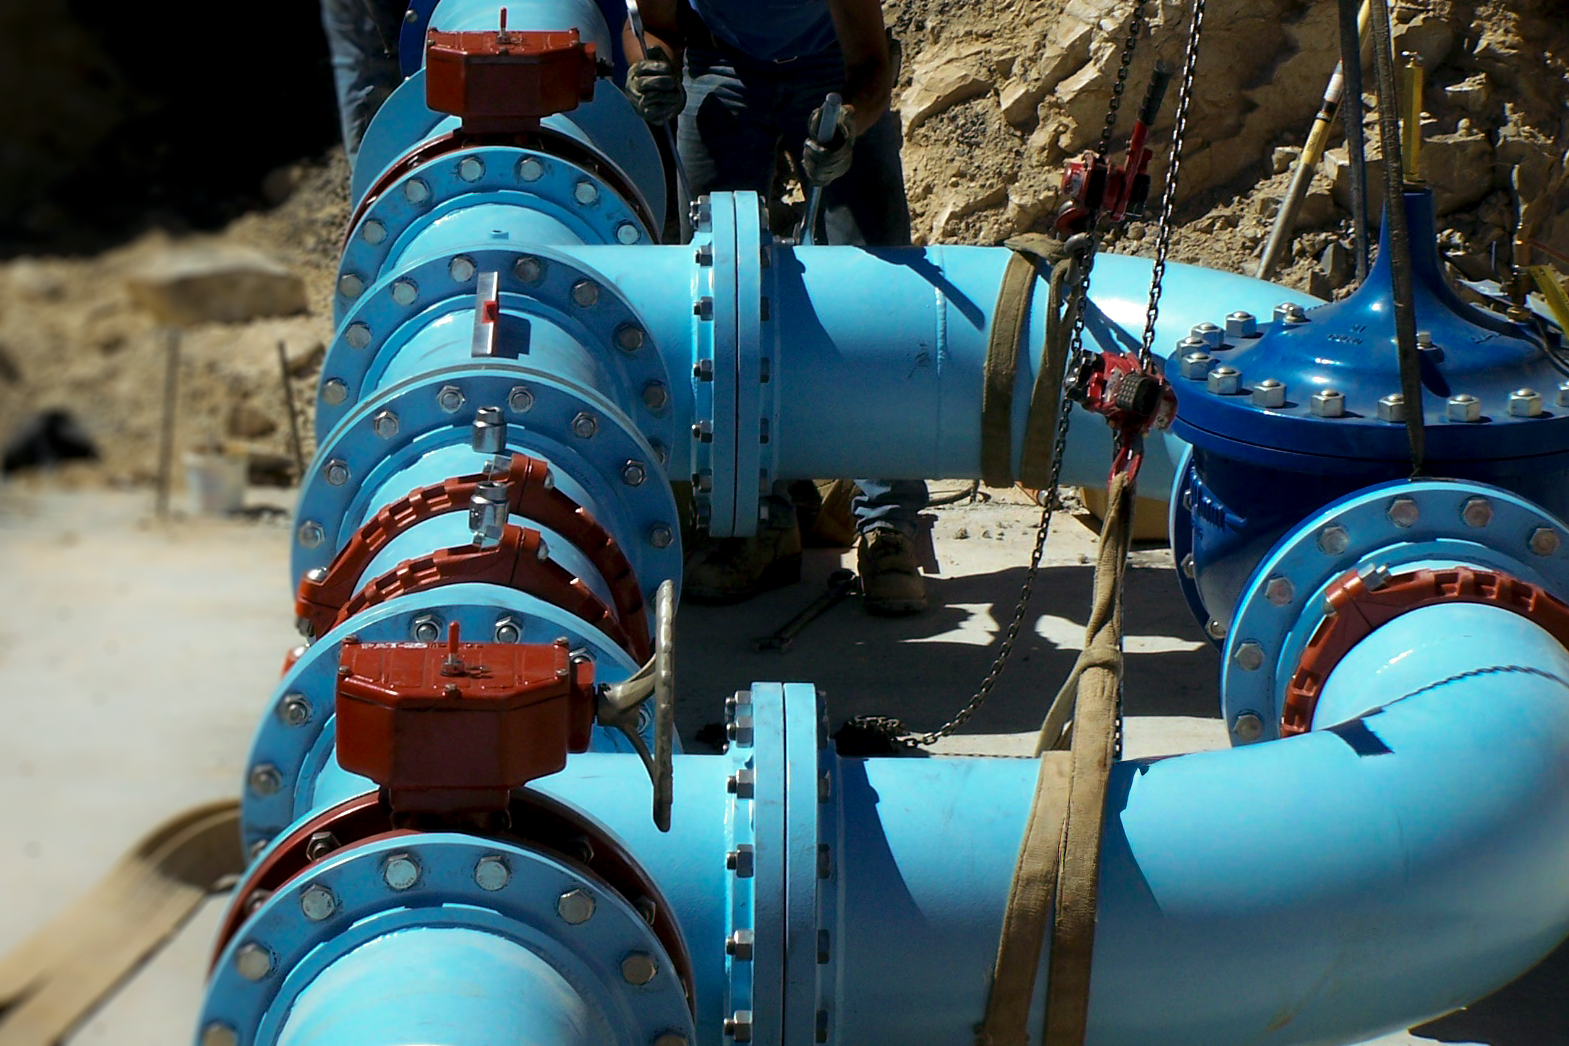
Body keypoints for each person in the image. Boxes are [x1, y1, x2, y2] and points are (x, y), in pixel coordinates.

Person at [623, 0, 930, 615]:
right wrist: (651, 68)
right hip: (723, 67)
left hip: (831, 65)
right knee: (720, 286)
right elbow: (657, 26)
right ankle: (759, 521)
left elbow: (871, 63)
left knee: (876, 283)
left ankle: (888, 524)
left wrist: (847, 122)